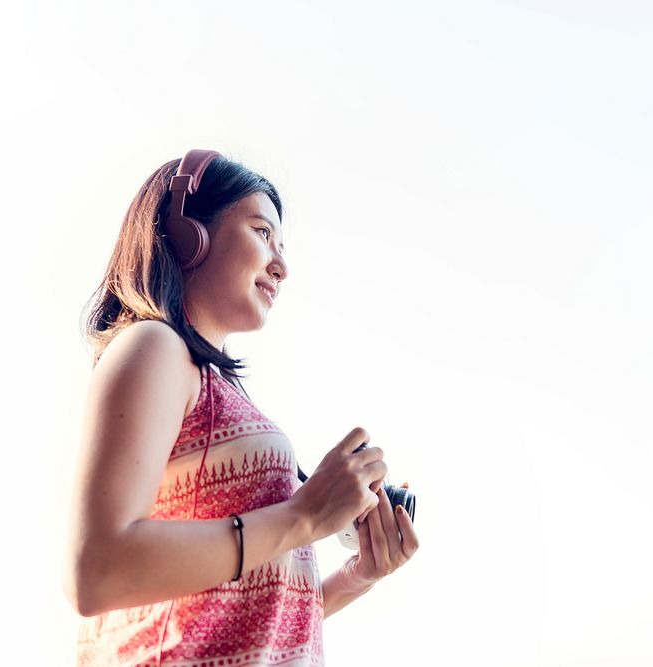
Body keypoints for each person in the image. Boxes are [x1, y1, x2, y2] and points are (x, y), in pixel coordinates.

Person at [63, 149, 419, 666]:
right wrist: (304, 515)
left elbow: (244, 615)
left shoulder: (214, 388)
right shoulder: (153, 346)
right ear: (189, 234)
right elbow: (96, 572)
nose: (282, 264)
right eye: (261, 232)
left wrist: (358, 575)